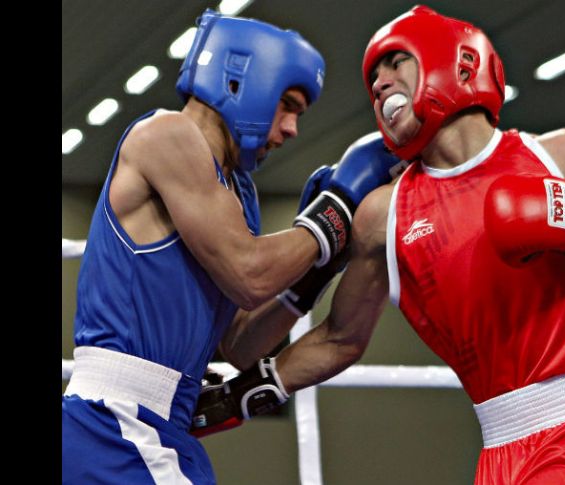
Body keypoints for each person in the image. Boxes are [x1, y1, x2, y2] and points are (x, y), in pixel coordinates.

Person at [191, 6, 565, 484]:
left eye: (396, 62)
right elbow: (341, 338)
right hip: (501, 450)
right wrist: (244, 394)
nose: (381, 83)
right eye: (373, 79)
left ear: (457, 61)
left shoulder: (560, 157)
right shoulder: (382, 214)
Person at [61, 9, 400, 485]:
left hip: (159, 428)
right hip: (114, 425)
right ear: (245, 78)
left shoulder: (238, 195)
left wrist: (316, 269)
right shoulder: (166, 135)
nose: (291, 130)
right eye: (289, 105)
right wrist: (335, 211)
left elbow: (239, 344)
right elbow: (250, 273)